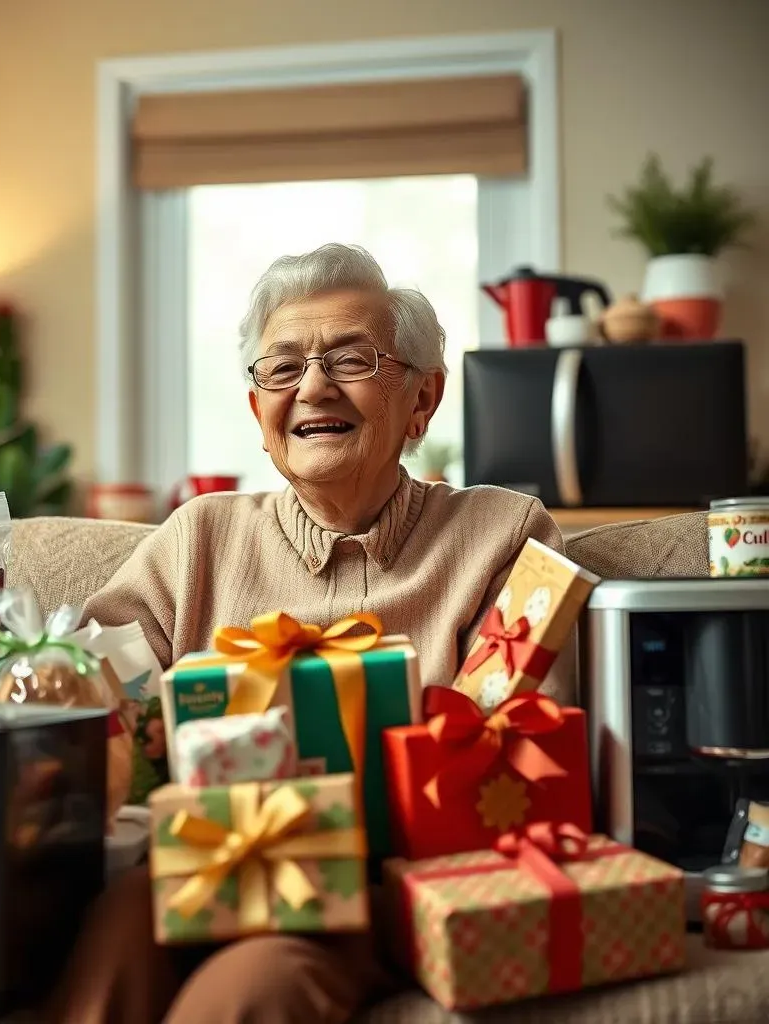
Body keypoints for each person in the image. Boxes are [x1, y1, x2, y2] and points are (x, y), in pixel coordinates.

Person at [53, 243, 570, 1024]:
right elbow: (87, 681)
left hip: (373, 892)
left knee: (255, 983)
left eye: (352, 358)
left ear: (423, 401)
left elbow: (520, 745)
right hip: (202, 862)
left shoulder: (502, 535)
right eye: (283, 367)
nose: (314, 386)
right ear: (259, 410)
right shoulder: (200, 538)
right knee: (122, 921)